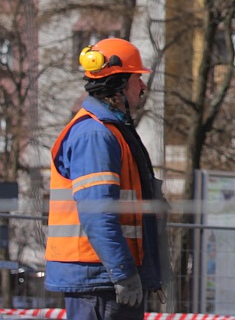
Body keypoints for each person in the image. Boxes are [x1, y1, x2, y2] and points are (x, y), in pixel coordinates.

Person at [45, 38, 167, 320]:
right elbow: (97, 214)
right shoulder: (95, 135)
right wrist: (123, 273)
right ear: (121, 84)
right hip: (100, 278)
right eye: (138, 78)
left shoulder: (109, 131)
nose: (143, 87)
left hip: (104, 275)